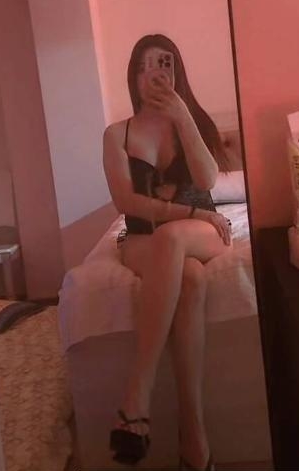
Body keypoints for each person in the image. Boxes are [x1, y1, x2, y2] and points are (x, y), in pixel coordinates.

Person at [103, 34, 233, 471]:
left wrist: (182, 115)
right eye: (143, 66)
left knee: (174, 239)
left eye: (163, 63)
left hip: (204, 231)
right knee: (190, 277)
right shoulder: (116, 134)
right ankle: (194, 441)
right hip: (143, 238)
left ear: (176, 71)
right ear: (133, 77)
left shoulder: (193, 121)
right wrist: (188, 210)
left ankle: (136, 397)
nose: (153, 74)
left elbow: (209, 180)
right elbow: (126, 202)